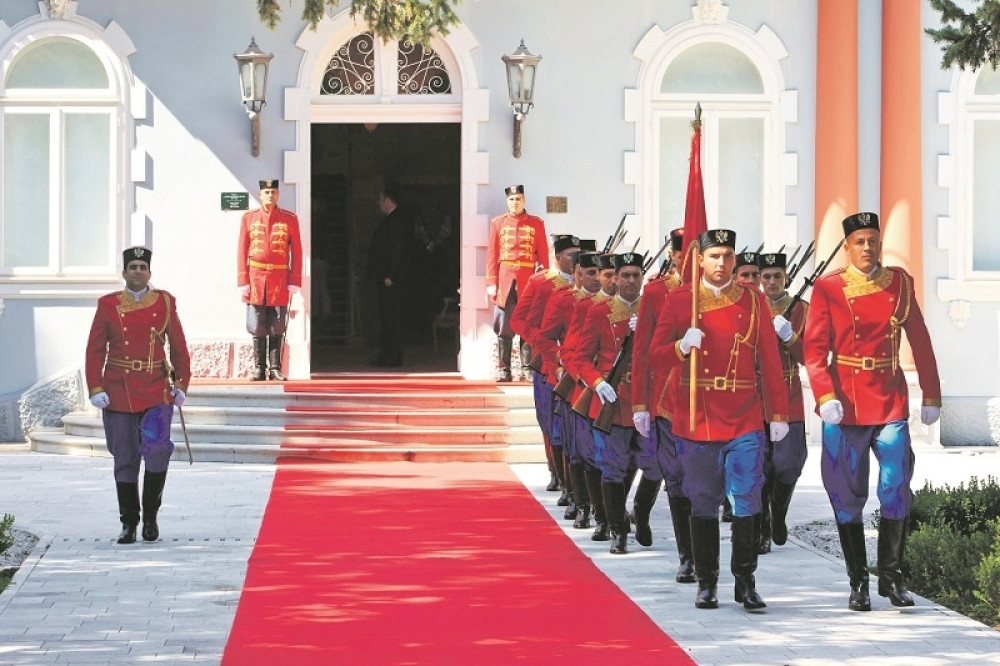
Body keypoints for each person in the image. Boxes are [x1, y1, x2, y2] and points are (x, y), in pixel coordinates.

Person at [803, 212, 941, 612]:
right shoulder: (828, 288)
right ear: (847, 247)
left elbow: (919, 337)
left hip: (889, 397)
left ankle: (892, 578)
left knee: (897, 485)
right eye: (860, 241)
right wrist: (825, 396)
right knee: (847, 493)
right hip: (845, 402)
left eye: (873, 241)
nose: (867, 248)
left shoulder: (898, 283)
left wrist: (931, 393)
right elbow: (814, 351)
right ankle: (858, 582)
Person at [649, 229, 789, 610]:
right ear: (700, 260)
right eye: (714, 256)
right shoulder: (681, 300)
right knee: (704, 500)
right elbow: (655, 355)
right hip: (697, 415)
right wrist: (681, 346)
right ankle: (707, 582)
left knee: (746, 496)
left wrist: (778, 413)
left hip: (744, 413)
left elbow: (771, 361)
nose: (722, 263)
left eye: (728, 255)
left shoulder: (754, 300)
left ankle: (745, 580)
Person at [86, 247, 191, 544]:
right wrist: (96, 387)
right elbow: (95, 349)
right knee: (125, 457)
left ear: (149, 272)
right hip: (118, 390)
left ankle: (151, 520)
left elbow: (179, 346)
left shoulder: (165, 302)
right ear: (124, 273)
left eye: (142, 266)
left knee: (157, 451)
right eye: (132, 266)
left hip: (156, 389)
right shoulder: (107, 305)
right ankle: (128, 523)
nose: (137, 271)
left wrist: (181, 384)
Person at [631, 228, 696, 583]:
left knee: (702, 482)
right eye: (684, 252)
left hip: (708, 401)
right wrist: (640, 403)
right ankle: (687, 557)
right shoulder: (656, 292)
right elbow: (641, 351)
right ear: (673, 255)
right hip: (668, 400)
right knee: (676, 479)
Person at [575, 252, 645, 555]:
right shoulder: (598, 311)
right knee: (613, 469)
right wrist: (598, 382)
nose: (631, 281)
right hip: (612, 402)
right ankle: (618, 530)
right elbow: (580, 357)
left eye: (636, 275)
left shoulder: (654, 310)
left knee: (654, 466)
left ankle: (640, 512)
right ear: (614, 278)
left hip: (645, 401)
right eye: (625, 275)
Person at [511, 235, 581, 503]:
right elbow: (520, 320)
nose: (575, 258)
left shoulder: (587, 282)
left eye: (578, 253)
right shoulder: (541, 283)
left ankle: (574, 485)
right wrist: (545, 345)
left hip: (578, 361)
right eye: (570, 254)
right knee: (550, 420)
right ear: (557, 257)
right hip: (549, 361)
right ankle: (557, 473)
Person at [757, 251, 809, 554]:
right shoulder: (753, 306)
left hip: (789, 396)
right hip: (758, 397)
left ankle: (779, 512)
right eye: (767, 276)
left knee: (789, 466)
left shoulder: (801, 309)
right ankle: (764, 524)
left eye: (777, 275)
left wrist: (790, 337)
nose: (772, 282)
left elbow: (809, 358)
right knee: (761, 467)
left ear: (786, 277)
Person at [237, 179, 302, 380]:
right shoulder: (249, 218)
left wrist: (295, 279)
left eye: (273, 192)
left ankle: (275, 368)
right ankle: (259, 368)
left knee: (277, 324)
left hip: (279, 279)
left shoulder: (289, 219)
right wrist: (242, 279)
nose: (270, 196)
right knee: (257, 324)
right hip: (256, 278)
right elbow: (241, 249)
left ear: (278, 195)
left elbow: (297, 250)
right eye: (266, 192)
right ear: (260, 194)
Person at [485, 185, 549, 381]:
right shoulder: (498, 223)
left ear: (524, 201)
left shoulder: (536, 223)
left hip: (528, 278)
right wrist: (491, 281)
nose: (515, 203)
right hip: (505, 279)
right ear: (508, 201)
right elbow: (492, 254)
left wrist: (545, 279)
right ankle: (504, 369)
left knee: (528, 323)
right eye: (512, 199)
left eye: (518, 199)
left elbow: (544, 253)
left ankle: (528, 368)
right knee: (504, 325)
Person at [367, 185, 413, 366]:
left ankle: (392, 356)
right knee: (387, 317)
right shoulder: (392, 220)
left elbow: (397, 250)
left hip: (392, 280)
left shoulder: (396, 221)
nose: (378, 203)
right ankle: (388, 354)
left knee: (392, 317)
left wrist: (390, 274)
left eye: (380, 199)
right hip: (387, 278)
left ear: (388, 200)